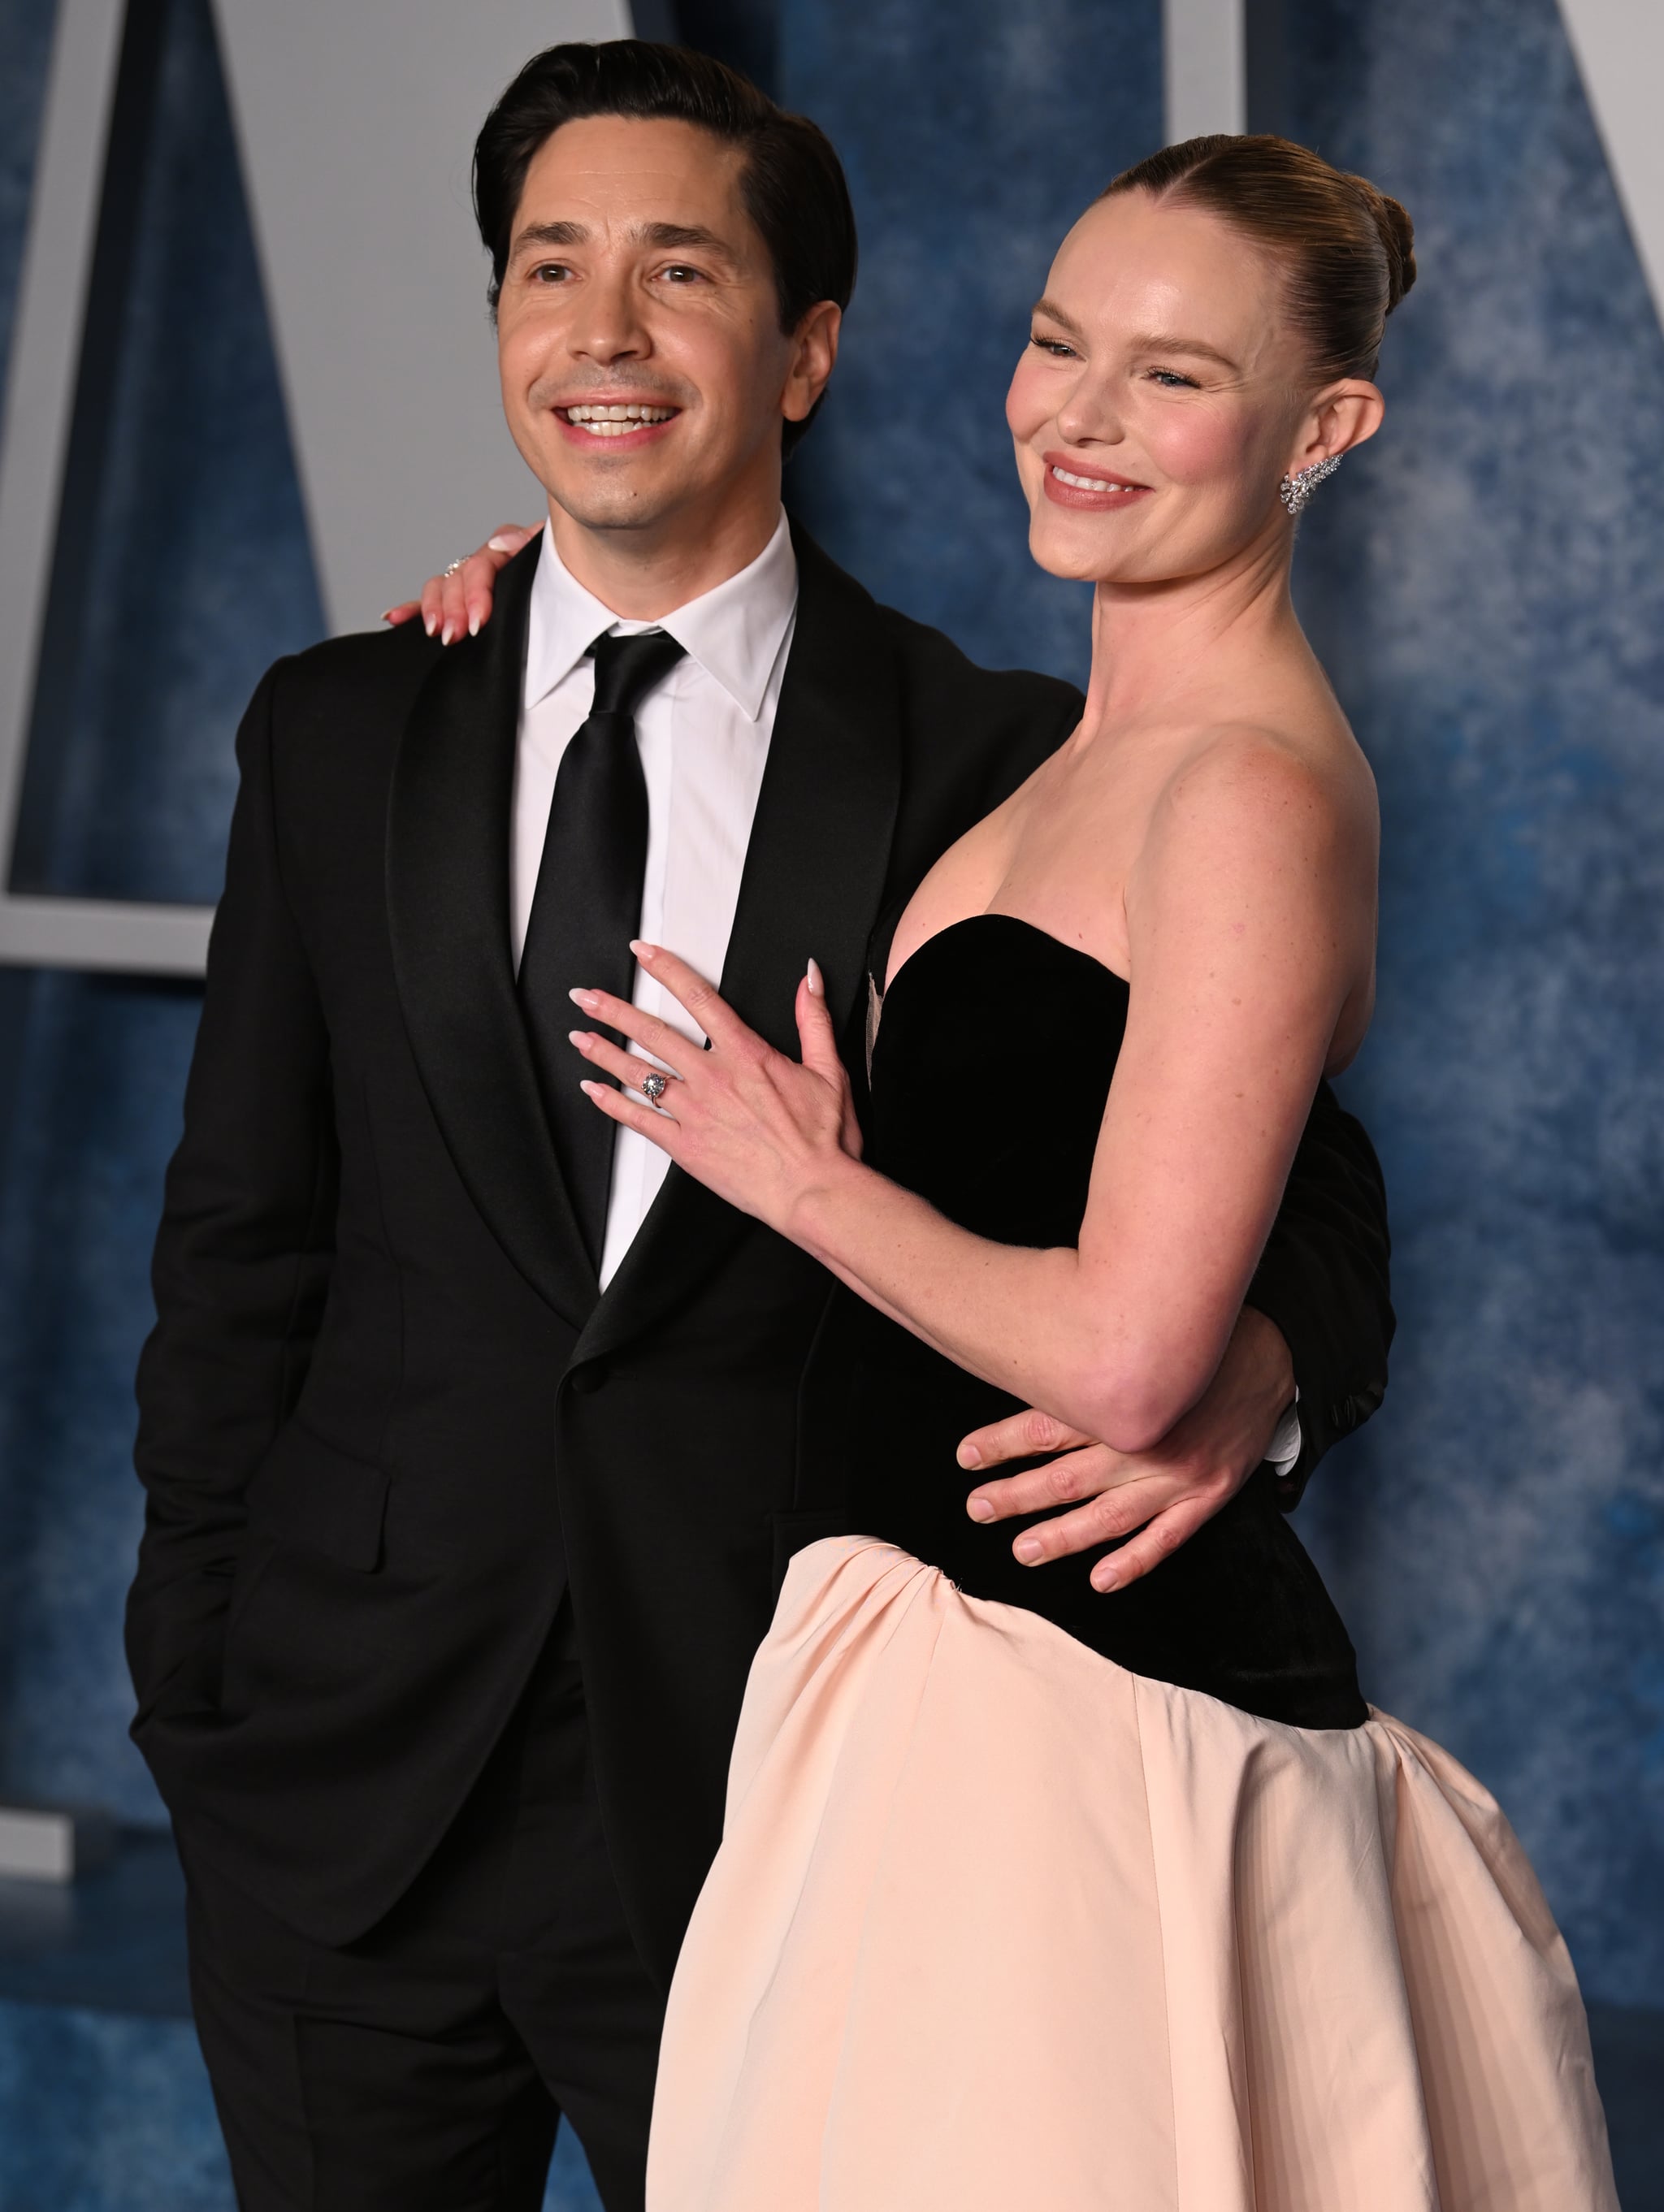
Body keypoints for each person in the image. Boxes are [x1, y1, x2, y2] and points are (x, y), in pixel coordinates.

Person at [128, 44, 1392, 2212]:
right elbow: (240, 1243)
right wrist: (203, 1685)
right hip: (337, 1800)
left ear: (803, 351)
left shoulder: (1000, 754)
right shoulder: (340, 727)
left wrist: (1254, 1384)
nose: (603, 335)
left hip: (773, 1793)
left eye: (678, 271)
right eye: (552, 268)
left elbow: (1318, 1180)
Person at [458, 132, 1618, 2209]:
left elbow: (1127, 1346)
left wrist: (801, 1176)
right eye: (1054, 340)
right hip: (911, 1687)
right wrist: (506, 589)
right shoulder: (1063, 756)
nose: (1078, 416)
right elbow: (1281, 1173)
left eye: (1171, 376)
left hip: (1078, 1748)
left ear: (1321, 427)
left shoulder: (1252, 795)